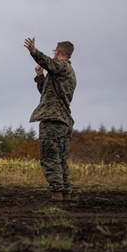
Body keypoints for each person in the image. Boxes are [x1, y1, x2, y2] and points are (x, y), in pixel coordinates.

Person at [24, 37, 77, 200]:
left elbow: (48, 62)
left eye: (55, 51)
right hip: (63, 122)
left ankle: (57, 195)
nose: (53, 53)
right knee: (60, 160)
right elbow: (47, 94)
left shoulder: (61, 66)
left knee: (50, 159)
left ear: (59, 52)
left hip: (53, 121)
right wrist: (40, 76)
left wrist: (34, 52)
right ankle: (65, 194)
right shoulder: (66, 72)